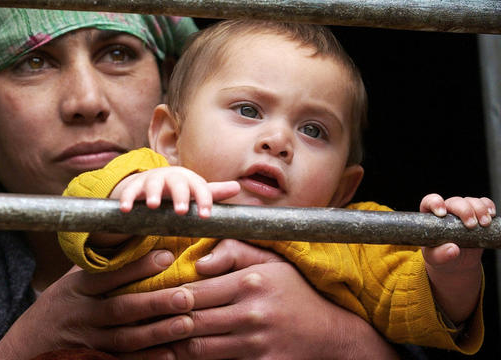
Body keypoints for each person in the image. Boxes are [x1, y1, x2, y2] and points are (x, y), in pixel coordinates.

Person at [59, 19, 494, 356]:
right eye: (248, 110)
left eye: (314, 130)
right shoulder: (153, 178)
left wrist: (452, 270)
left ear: (343, 188)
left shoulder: (353, 231)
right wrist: (136, 195)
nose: (279, 141)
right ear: (171, 139)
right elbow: (81, 217)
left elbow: (412, 307)